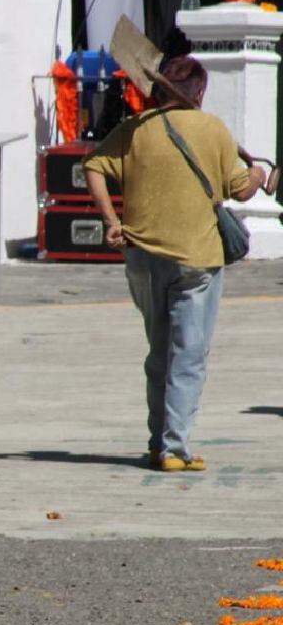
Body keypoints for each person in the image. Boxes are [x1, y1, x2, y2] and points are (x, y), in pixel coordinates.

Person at [83, 55, 266, 473]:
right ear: (199, 93)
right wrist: (256, 175)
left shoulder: (135, 129)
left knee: (159, 352)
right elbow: (239, 191)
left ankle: (157, 442)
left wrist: (112, 221)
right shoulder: (212, 128)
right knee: (189, 354)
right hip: (195, 259)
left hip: (142, 258)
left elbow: (93, 164)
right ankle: (174, 447)